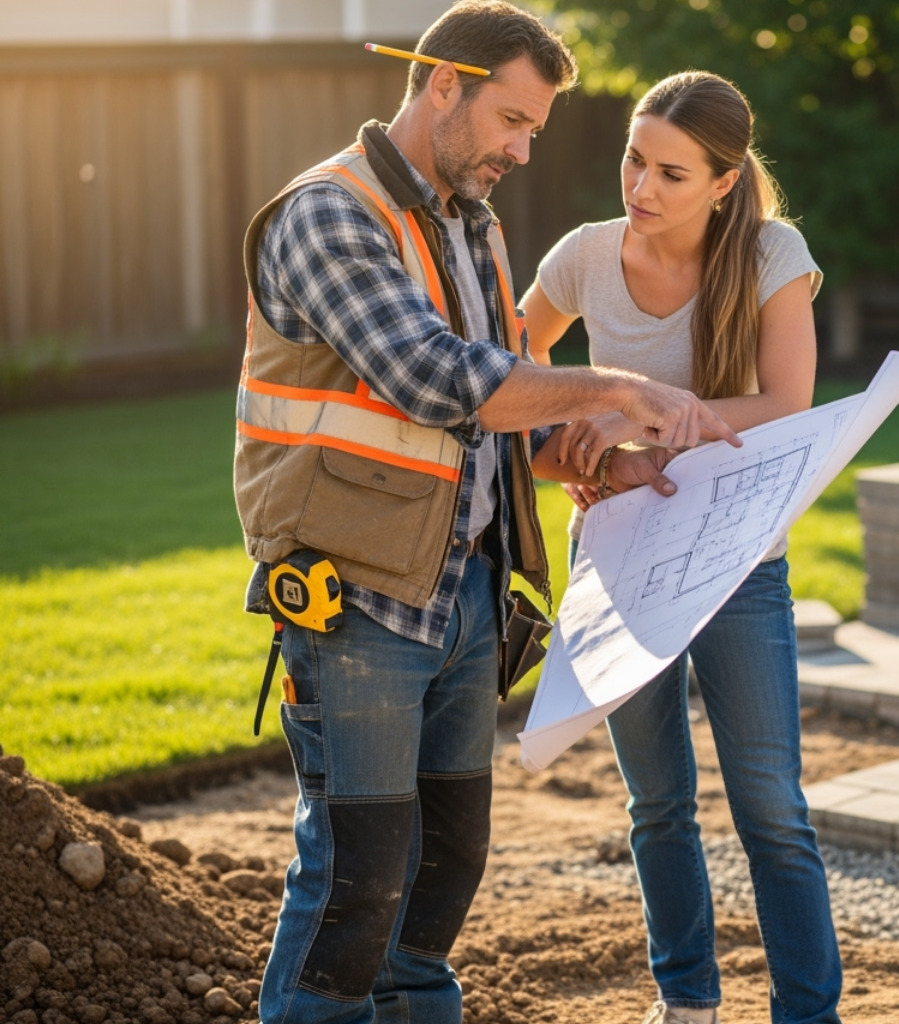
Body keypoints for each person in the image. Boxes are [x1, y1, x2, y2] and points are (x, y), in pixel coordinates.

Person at [233, 6, 738, 1023]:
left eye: (535, 131)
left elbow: (493, 417)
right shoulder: (332, 214)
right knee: (356, 874)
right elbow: (432, 378)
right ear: (442, 85)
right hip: (359, 599)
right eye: (511, 118)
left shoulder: (474, 225)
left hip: (463, 592)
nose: (520, 148)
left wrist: (596, 460)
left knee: (449, 858)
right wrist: (612, 392)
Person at [520, 71, 839, 1024]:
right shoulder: (582, 256)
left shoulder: (773, 255)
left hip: (740, 560)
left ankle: (806, 1014)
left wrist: (625, 427)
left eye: (670, 172)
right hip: (616, 564)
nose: (641, 187)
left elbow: (787, 406)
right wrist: (564, 448)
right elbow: (503, 370)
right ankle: (687, 1003)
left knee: (772, 812)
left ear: (725, 181)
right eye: (632, 158)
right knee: (656, 806)